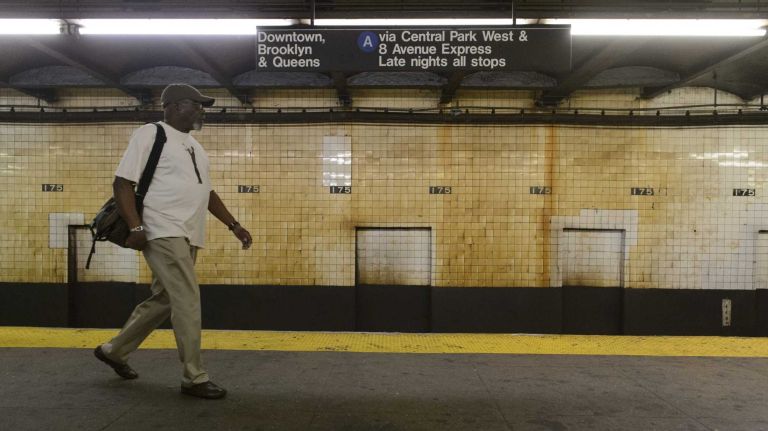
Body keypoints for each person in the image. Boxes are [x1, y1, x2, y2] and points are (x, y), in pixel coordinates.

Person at [93, 83, 252, 399]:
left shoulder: (195, 146)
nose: (201, 111)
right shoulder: (150, 134)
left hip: (190, 232)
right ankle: (194, 376)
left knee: (166, 298)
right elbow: (122, 182)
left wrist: (233, 224)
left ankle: (114, 350)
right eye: (198, 105)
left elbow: (206, 192)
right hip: (161, 228)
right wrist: (137, 227)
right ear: (178, 105)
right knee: (187, 297)